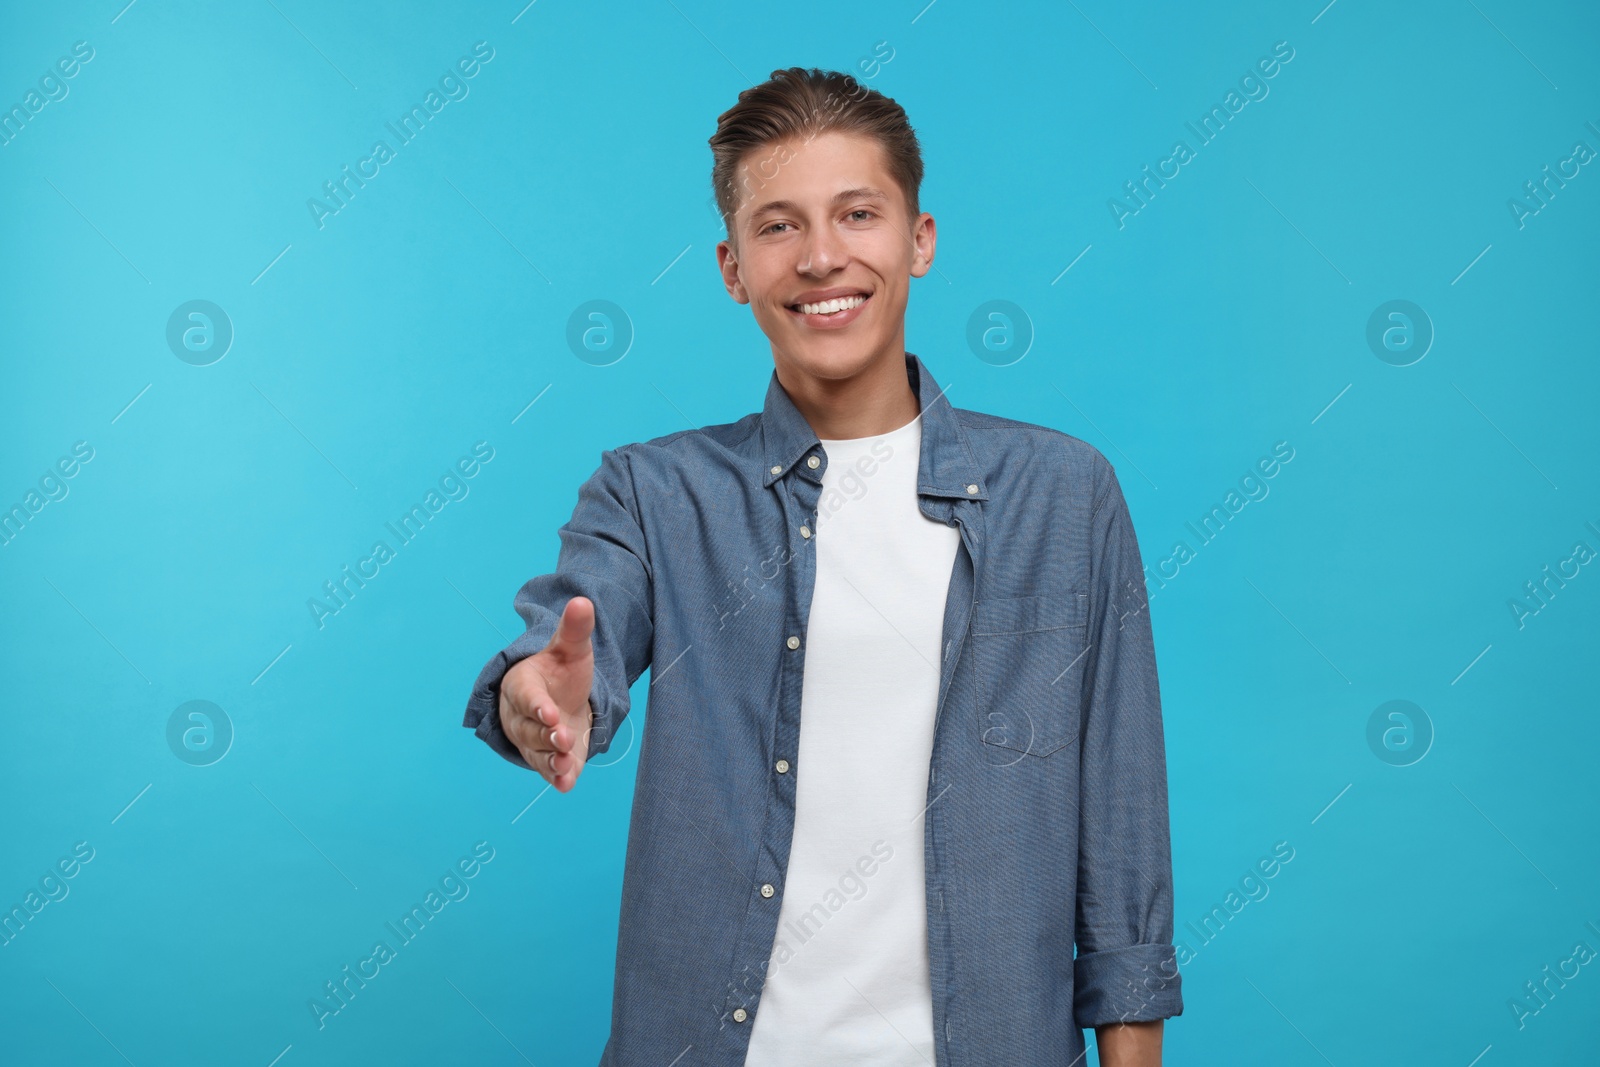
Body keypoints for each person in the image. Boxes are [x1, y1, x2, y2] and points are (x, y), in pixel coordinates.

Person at [462, 66, 1182, 1067]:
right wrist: (542, 695)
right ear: (731, 266)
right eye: (779, 226)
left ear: (918, 240)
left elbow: (1119, 804)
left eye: (857, 213)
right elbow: (573, 632)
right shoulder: (653, 492)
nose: (822, 256)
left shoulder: (1064, 494)